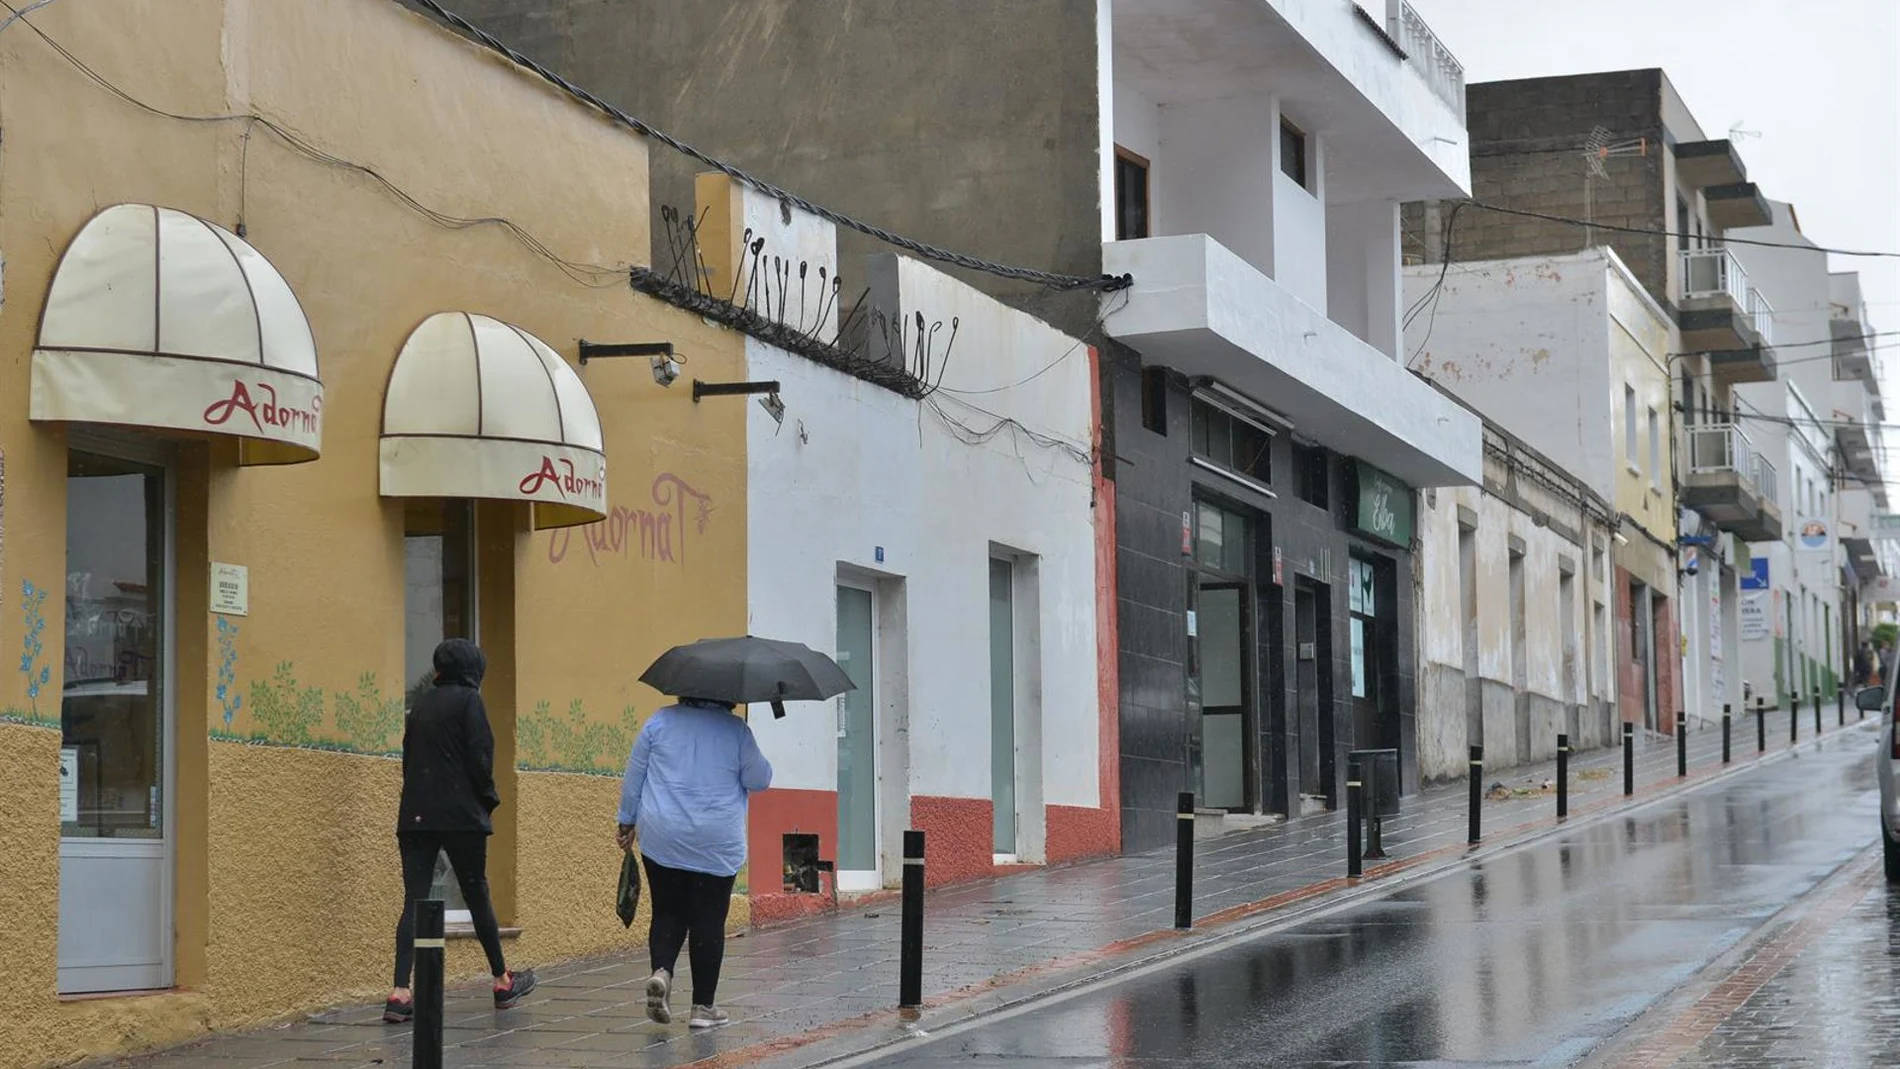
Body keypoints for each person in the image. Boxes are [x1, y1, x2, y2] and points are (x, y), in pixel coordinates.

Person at [385, 638, 535, 1023]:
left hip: (416, 814)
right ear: (472, 668)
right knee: (475, 891)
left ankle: (400, 992)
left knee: (414, 901)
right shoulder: (469, 701)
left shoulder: (420, 704)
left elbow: (408, 759)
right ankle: (502, 981)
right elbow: (481, 757)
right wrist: (486, 800)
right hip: (460, 815)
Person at [617, 696, 773, 1029]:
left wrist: (626, 821)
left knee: (667, 910)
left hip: (662, 835)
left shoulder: (659, 721)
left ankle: (662, 971)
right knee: (708, 919)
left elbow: (635, 775)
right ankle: (703, 1007)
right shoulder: (737, 731)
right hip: (715, 841)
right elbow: (759, 780)